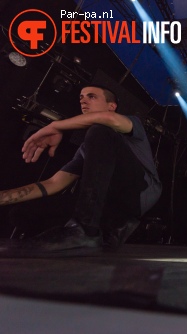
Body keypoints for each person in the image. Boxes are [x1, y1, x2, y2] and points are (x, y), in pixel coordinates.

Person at [0, 85, 162, 255]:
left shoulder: (130, 124)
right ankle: (99, 236)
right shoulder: (87, 148)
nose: (83, 100)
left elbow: (110, 120)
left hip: (138, 194)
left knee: (99, 131)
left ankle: (85, 231)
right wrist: (4, 197)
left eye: (91, 97)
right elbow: (54, 183)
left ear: (111, 106)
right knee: (22, 213)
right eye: (81, 97)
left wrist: (56, 126)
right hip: (104, 204)